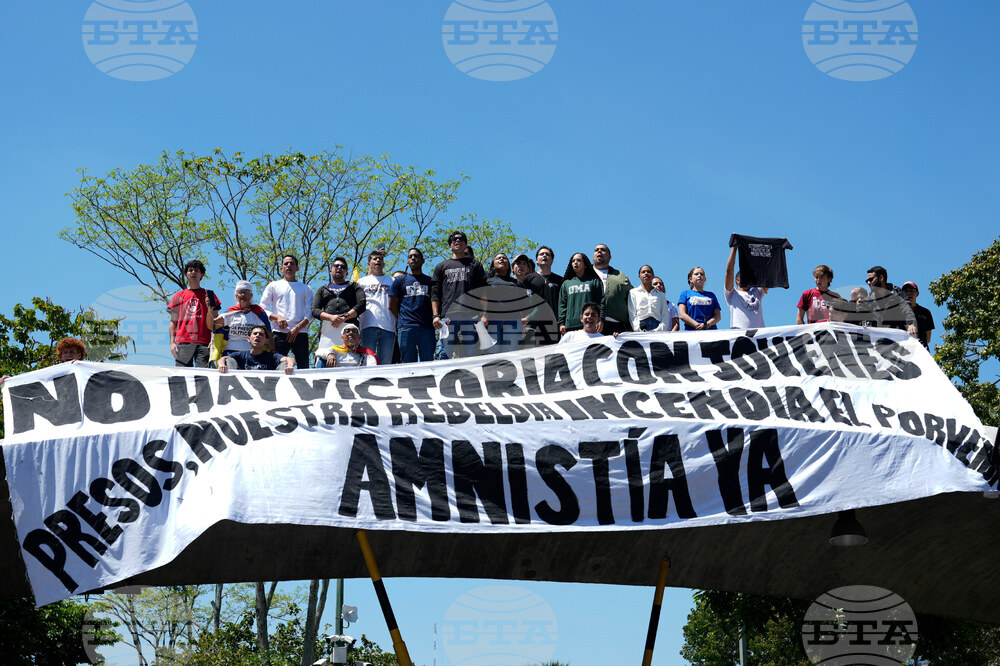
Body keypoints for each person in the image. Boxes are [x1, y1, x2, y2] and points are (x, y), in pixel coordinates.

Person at [431, 230, 488, 358]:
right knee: (445, 353)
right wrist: (436, 315)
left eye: (461, 239)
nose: (458, 241)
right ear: (450, 246)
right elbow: (435, 293)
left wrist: (484, 314)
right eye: (454, 240)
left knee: (471, 353)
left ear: (466, 244)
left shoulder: (475, 265)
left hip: (471, 316)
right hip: (448, 317)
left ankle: (470, 378)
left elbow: (483, 292)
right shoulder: (441, 267)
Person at [260, 254, 313, 369]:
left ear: (297, 268)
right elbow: (262, 309)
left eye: (292, 264)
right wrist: (277, 317)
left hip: (301, 333)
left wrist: (297, 328)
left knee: (304, 367)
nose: (289, 266)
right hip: (279, 332)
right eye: (286, 264)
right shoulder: (273, 286)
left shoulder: (306, 288)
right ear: (281, 268)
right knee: (275, 366)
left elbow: (311, 313)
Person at [168, 259, 221, 368]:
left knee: (203, 376)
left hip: (204, 342)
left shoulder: (210, 294)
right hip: (183, 341)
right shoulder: (178, 296)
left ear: (202, 275)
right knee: (182, 376)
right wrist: (172, 343)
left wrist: (214, 340)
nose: (193, 273)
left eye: (196, 270)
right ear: (186, 275)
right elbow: (173, 322)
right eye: (190, 270)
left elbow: (216, 321)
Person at [390, 248, 435, 363]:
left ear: (423, 260)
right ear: (407, 262)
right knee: (407, 363)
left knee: (428, 362)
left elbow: (436, 301)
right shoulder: (400, 281)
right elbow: (392, 305)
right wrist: (401, 320)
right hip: (406, 327)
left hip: (426, 327)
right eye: (410, 257)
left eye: (416, 256)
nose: (413, 258)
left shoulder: (430, 281)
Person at [357, 250, 396, 365]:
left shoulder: (392, 281)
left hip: (389, 327)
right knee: (368, 363)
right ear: (369, 264)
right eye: (374, 259)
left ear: (384, 264)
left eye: (380, 259)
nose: (378, 260)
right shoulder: (362, 281)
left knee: (386, 364)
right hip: (368, 325)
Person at [213, 281, 274, 355]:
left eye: (246, 292)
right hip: (231, 352)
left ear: (251, 295)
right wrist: (209, 309)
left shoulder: (258, 313)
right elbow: (212, 326)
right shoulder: (230, 313)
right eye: (240, 292)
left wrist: (273, 351)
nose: (243, 295)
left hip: (252, 354)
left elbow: (268, 334)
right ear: (236, 295)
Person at [312, 257, 366, 337]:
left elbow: (362, 304)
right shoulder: (322, 289)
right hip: (328, 330)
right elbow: (315, 311)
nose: (339, 268)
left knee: (350, 350)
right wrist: (331, 317)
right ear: (330, 271)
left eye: (343, 267)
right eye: (336, 266)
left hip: (351, 329)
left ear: (347, 273)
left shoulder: (354, 287)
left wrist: (345, 317)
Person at [1, 337, 87, 386]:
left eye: (72, 352)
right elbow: (33, 381)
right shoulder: (53, 373)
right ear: (61, 356)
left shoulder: (87, 371)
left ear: (79, 355)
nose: (68, 355)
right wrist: (11, 381)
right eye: (65, 352)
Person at [592, 243, 634, 335]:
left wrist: (631, 326)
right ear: (593, 257)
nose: (599, 251)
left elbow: (633, 299)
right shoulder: (584, 275)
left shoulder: (620, 276)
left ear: (610, 257)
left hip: (616, 327)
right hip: (589, 325)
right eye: (596, 250)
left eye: (603, 250)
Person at [558, 252, 604, 334]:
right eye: (573, 261)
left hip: (590, 325)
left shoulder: (594, 281)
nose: (575, 262)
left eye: (578, 260)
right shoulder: (566, 284)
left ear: (585, 264)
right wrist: (561, 323)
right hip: (570, 326)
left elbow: (601, 302)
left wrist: (601, 319)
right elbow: (562, 305)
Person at [865, 266, 918, 337]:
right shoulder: (868, 301)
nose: (868, 283)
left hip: (898, 339)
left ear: (881, 278)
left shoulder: (898, 294)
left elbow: (907, 309)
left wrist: (911, 324)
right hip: (879, 341)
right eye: (867, 281)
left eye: (871, 279)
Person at [218, 325, 294, 374]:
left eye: (261, 334)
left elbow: (289, 359)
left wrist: (290, 366)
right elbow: (223, 358)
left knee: (285, 363)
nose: (257, 336)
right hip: (243, 389)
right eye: (255, 334)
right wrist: (221, 365)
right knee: (229, 361)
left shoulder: (272, 356)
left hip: (268, 388)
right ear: (249, 339)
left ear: (266, 341)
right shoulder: (241, 355)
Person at [724, 246, 768, 329]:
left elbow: (768, 276)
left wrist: (776, 252)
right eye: (746, 277)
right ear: (737, 280)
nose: (749, 280)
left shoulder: (757, 293)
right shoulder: (732, 294)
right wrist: (734, 248)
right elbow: (729, 272)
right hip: (739, 335)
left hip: (759, 337)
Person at [512, 253, 548, 348]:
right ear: (512, 267)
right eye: (518, 263)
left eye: (524, 264)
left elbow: (540, 307)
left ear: (528, 269)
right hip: (509, 329)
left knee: (527, 361)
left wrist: (528, 318)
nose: (521, 266)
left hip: (529, 330)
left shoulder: (533, 286)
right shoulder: (506, 284)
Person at [628, 265, 673, 332]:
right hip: (641, 326)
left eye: (649, 272)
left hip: (657, 326)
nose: (646, 273)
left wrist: (657, 330)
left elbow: (665, 316)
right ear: (639, 276)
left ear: (653, 275)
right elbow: (632, 315)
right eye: (643, 272)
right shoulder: (633, 292)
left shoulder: (661, 295)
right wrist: (639, 330)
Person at [534, 245, 563, 345]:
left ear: (552, 260)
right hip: (534, 326)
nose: (544, 256)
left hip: (554, 327)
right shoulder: (529, 279)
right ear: (536, 260)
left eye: (547, 254)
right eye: (541, 254)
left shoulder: (560, 280)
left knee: (552, 358)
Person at [678, 266, 721, 330]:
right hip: (691, 333)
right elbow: (682, 314)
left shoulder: (711, 295)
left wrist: (707, 324)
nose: (699, 276)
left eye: (702, 274)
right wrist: (697, 325)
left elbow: (718, 316)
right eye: (696, 274)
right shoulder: (685, 294)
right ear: (690, 279)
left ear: (705, 279)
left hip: (711, 333)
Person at [901, 281, 934, 348]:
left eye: (912, 291)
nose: (908, 293)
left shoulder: (925, 312)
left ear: (917, 293)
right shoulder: (897, 312)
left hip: (921, 350)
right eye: (905, 291)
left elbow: (928, 338)